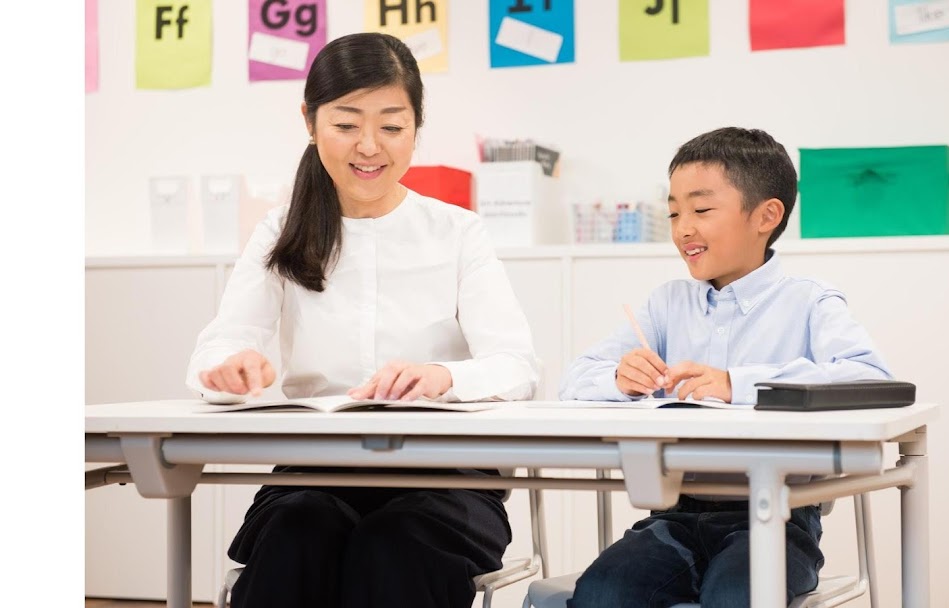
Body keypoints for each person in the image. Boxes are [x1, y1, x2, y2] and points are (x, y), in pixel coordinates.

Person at [185, 32, 540, 608]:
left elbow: (517, 364)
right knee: (297, 534)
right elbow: (224, 341)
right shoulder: (280, 231)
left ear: (416, 128)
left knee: (394, 546)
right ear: (309, 120)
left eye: (392, 127)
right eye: (346, 124)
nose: (369, 146)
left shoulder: (456, 231)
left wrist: (444, 378)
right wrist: (228, 368)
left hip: (447, 474)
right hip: (314, 468)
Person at [559, 127, 892, 607]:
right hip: (674, 516)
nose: (682, 228)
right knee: (600, 594)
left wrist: (737, 383)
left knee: (737, 597)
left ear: (766, 215)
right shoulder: (667, 304)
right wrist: (617, 379)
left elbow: (870, 377)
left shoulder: (809, 300)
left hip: (777, 516)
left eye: (700, 209)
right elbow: (575, 377)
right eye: (673, 211)